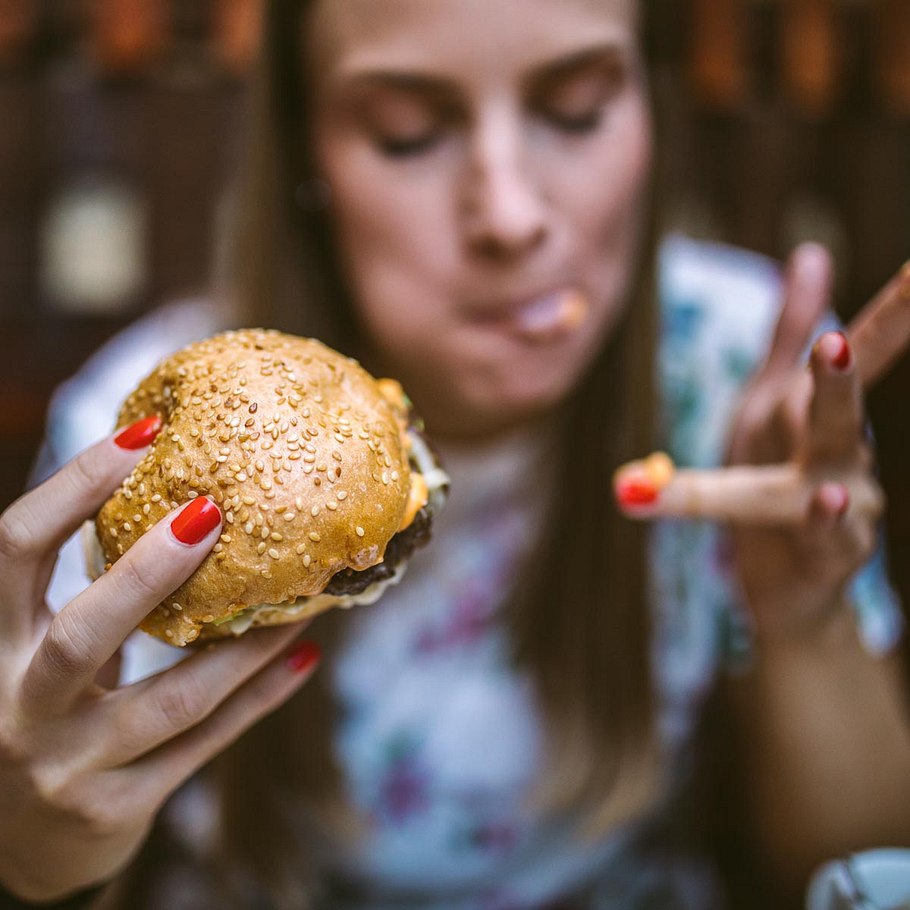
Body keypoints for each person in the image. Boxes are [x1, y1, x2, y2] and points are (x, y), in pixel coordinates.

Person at [3, 1, 910, 908]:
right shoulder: (143, 442)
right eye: (409, 133)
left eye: (579, 110)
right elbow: (71, 831)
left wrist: (807, 621)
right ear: (308, 154)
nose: (511, 217)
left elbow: (859, 867)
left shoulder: (744, 372)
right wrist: (38, 850)